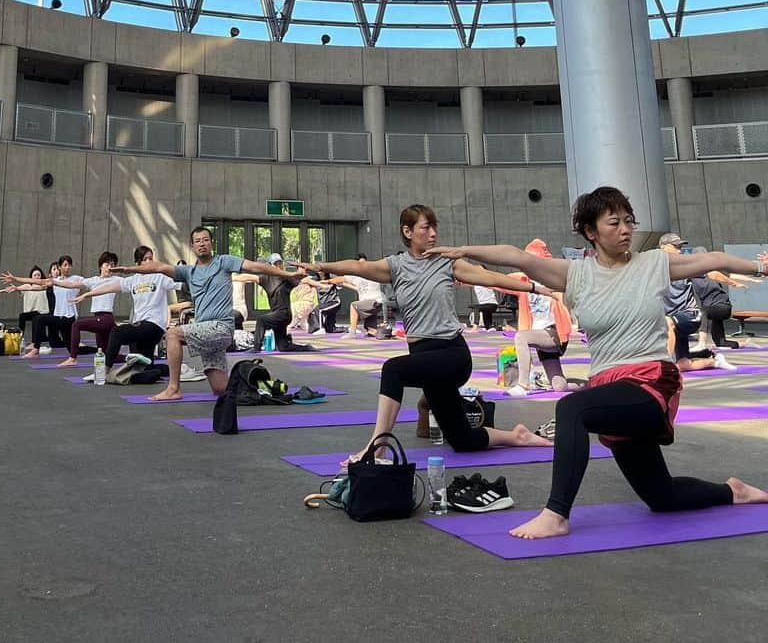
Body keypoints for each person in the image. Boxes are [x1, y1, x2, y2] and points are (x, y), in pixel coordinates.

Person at [427, 186, 768, 540]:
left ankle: (556, 514)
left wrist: (759, 265)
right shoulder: (575, 275)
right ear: (591, 231)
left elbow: (714, 260)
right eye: (614, 222)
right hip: (609, 387)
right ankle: (734, 491)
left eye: (628, 221)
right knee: (661, 496)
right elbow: (516, 256)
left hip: (651, 381)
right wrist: (464, 250)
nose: (625, 229)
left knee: (572, 409)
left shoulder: (653, 264)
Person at [305, 204, 552, 467]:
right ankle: (518, 436)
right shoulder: (396, 266)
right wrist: (320, 265)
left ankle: (376, 449)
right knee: (462, 439)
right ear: (408, 232)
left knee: (393, 370)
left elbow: (489, 277)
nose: (433, 233)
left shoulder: (447, 262)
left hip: (451, 355)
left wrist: (535, 287)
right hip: (424, 358)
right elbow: (357, 266)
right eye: (426, 227)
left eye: (435, 227)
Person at [113, 226, 305, 400]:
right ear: (192, 246)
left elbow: (255, 266)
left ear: (211, 243)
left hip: (220, 328)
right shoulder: (189, 272)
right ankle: (265, 384)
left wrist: (287, 274)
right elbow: (159, 267)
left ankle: (173, 389)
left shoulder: (224, 262)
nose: (202, 244)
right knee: (222, 389)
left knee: (172, 334)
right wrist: (130, 269)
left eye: (205, 240)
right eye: (198, 241)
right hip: (206, 332)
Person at [74, 246, 178, 370]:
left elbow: (182, 282)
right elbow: (108, 287)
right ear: (137, 263)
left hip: (155, 325)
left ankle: (104, 371)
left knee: (117, 332)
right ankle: (175, 369)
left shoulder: (161, 277)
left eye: (151, 259)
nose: (149, 262)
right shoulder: (133, 280)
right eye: (145, 259)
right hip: (140, 325)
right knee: (142, 369)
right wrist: (87, 294)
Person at [507, 238, 576, 397]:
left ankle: (523, 385)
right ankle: (590, 386)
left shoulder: (554, 278)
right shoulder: (522, 280)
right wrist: (467, 279)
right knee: (560, 386)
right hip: (539, 335)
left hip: (553, 333)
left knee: (520, 337)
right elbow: (496, 281)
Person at [659, 233, 737, 372]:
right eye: (676, 246)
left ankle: (665, 366)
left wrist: (735, 282)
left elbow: (712, 273)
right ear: (663, 247)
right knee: (683, 365)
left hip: (690, 315)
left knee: (667, 322)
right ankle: (715, 361)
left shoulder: (685, 265)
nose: (679, 250)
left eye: (680, 247)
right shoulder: (654, 267)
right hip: (674, 323)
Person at [239, 253, 309, 354]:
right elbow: (248, 277)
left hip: (284, 314)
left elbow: (300, 277)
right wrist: (232, 277)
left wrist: (299, 268)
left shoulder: (287, 278)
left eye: (280, 263)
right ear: (270, 265)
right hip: (277, 314)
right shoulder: (265, 278)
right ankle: (306, 348)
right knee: (283, 347)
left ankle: (256, 347)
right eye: (276, 263)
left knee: (261, 320)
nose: (278, 266)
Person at [343, 258, 384, 337]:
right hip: (373, 303)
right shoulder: (358, 276)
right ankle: (380, 332)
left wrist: (326, 282)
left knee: (353, 305)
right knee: (371, 330)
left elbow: (341, 280)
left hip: (374, 302)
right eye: (360, 263)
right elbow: (346, 282)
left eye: (364, 263)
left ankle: (352, 332)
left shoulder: (370, 274)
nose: (362, 265)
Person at [16, 266, 51, 350]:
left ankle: (35, 342)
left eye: (38, 275)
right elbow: (18, 289)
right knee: (22, 316)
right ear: (31, 277)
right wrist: (14, 288)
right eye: (34, 275)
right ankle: (19, 338)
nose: (37, 277)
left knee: (36, 317)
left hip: (42, 311)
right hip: (31, 312)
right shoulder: (27, 286)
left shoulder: (45, 286)